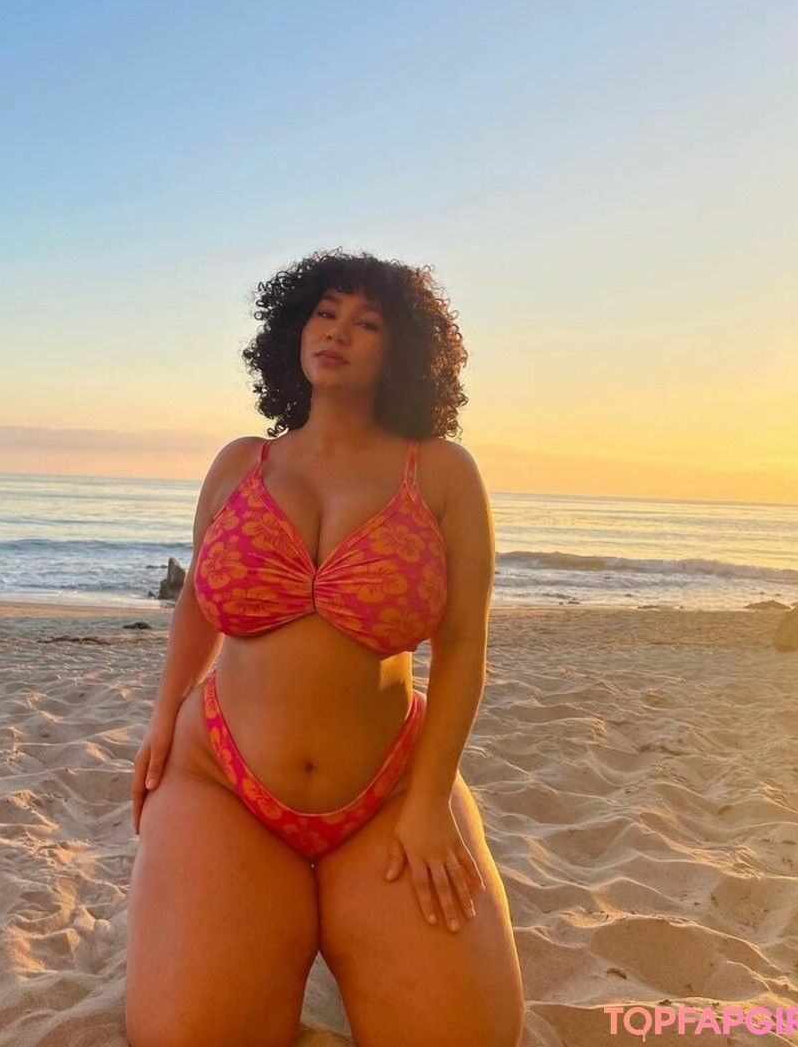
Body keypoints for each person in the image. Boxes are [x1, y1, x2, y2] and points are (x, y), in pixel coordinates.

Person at [125, 249, 524, 1047]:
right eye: (325, 313)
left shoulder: (441, 472)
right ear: (294, 330)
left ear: (400, 350)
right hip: (222, 781)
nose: (338, 331)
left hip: (388, 792)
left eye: (366, 322)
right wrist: (163, 716)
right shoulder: (240, 463)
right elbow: (199, 601)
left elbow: (462, 643)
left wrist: (429, 802)